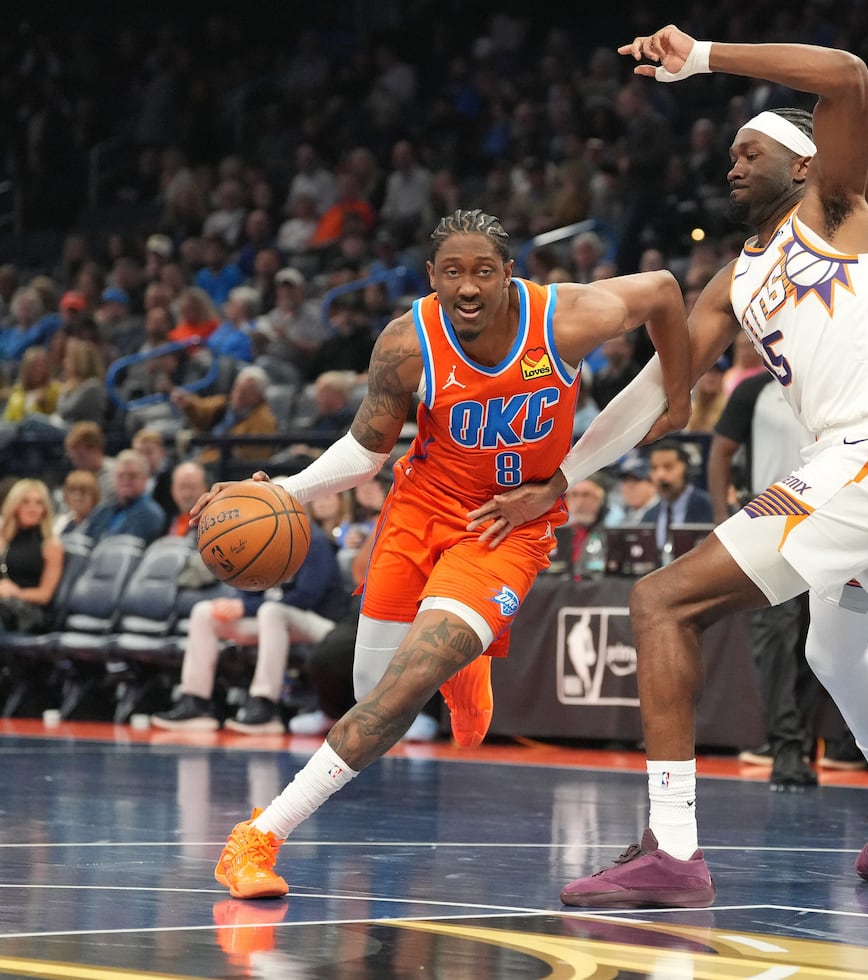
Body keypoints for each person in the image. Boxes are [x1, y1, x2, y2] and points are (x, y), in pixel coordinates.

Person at [469, 28, 868, 907]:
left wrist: (702, 58)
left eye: (751, 151)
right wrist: (563, 476)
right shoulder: (733, 279)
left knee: (662, 601)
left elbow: (847, 74)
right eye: (729, 154)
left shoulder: (839, 208)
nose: (732, 166)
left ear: (806, 164)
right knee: (834, 651)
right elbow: (660, 393)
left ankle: (673, 848)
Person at [195, 207, 691, 899]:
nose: (467, 286)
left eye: (483, 271)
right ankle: (466, 662)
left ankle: (257, 837)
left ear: (509, 274)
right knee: (376, 692)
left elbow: (666, 290)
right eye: (452, 272)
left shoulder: (567, 320)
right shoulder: (406, 342)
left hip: (503, 528)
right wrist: (284, 488)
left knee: (402, 688)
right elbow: (367, 452)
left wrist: (680, 388)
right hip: (419, 508)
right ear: (431, 277)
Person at [708, 369, 817, 787]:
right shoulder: (755, 389)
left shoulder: (830, 381)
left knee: (816, 639)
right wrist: (722, 520)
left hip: (828, 517)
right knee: (774, 632)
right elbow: (721, 450)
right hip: (771, 516)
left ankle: (798, 743)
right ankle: (785, 745)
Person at [151, 513, 350, 734]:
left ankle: (265, 705)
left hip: (325, 626)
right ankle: (195, 703)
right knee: (205, 613)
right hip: (275, 622)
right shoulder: (261, 539)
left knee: (271, 611)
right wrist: (237, 605)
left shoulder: (314, 541)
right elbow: (248, 587)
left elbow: (307, 596)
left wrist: (245, 608)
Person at [0, 478, 64, 635]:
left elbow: (45, 595)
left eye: (38, 503)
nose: (32, 508)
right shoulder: (2, 540)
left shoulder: (51, 546)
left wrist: (15, 593)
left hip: (30, 613)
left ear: (45, 509)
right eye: (26, 502)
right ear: (14, 506)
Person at [645, 439, 713, 554]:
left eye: (668, 467)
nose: (660, 475)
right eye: (654, 468)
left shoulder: (710, 508)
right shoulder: (648, 516)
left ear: (687, 470)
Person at [84, 449, 166, 544]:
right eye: (120, 476)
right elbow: (86, 542)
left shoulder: (150, 514)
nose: (126, 480)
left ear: (145, 479)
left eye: (132, 476)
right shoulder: (103, 510)